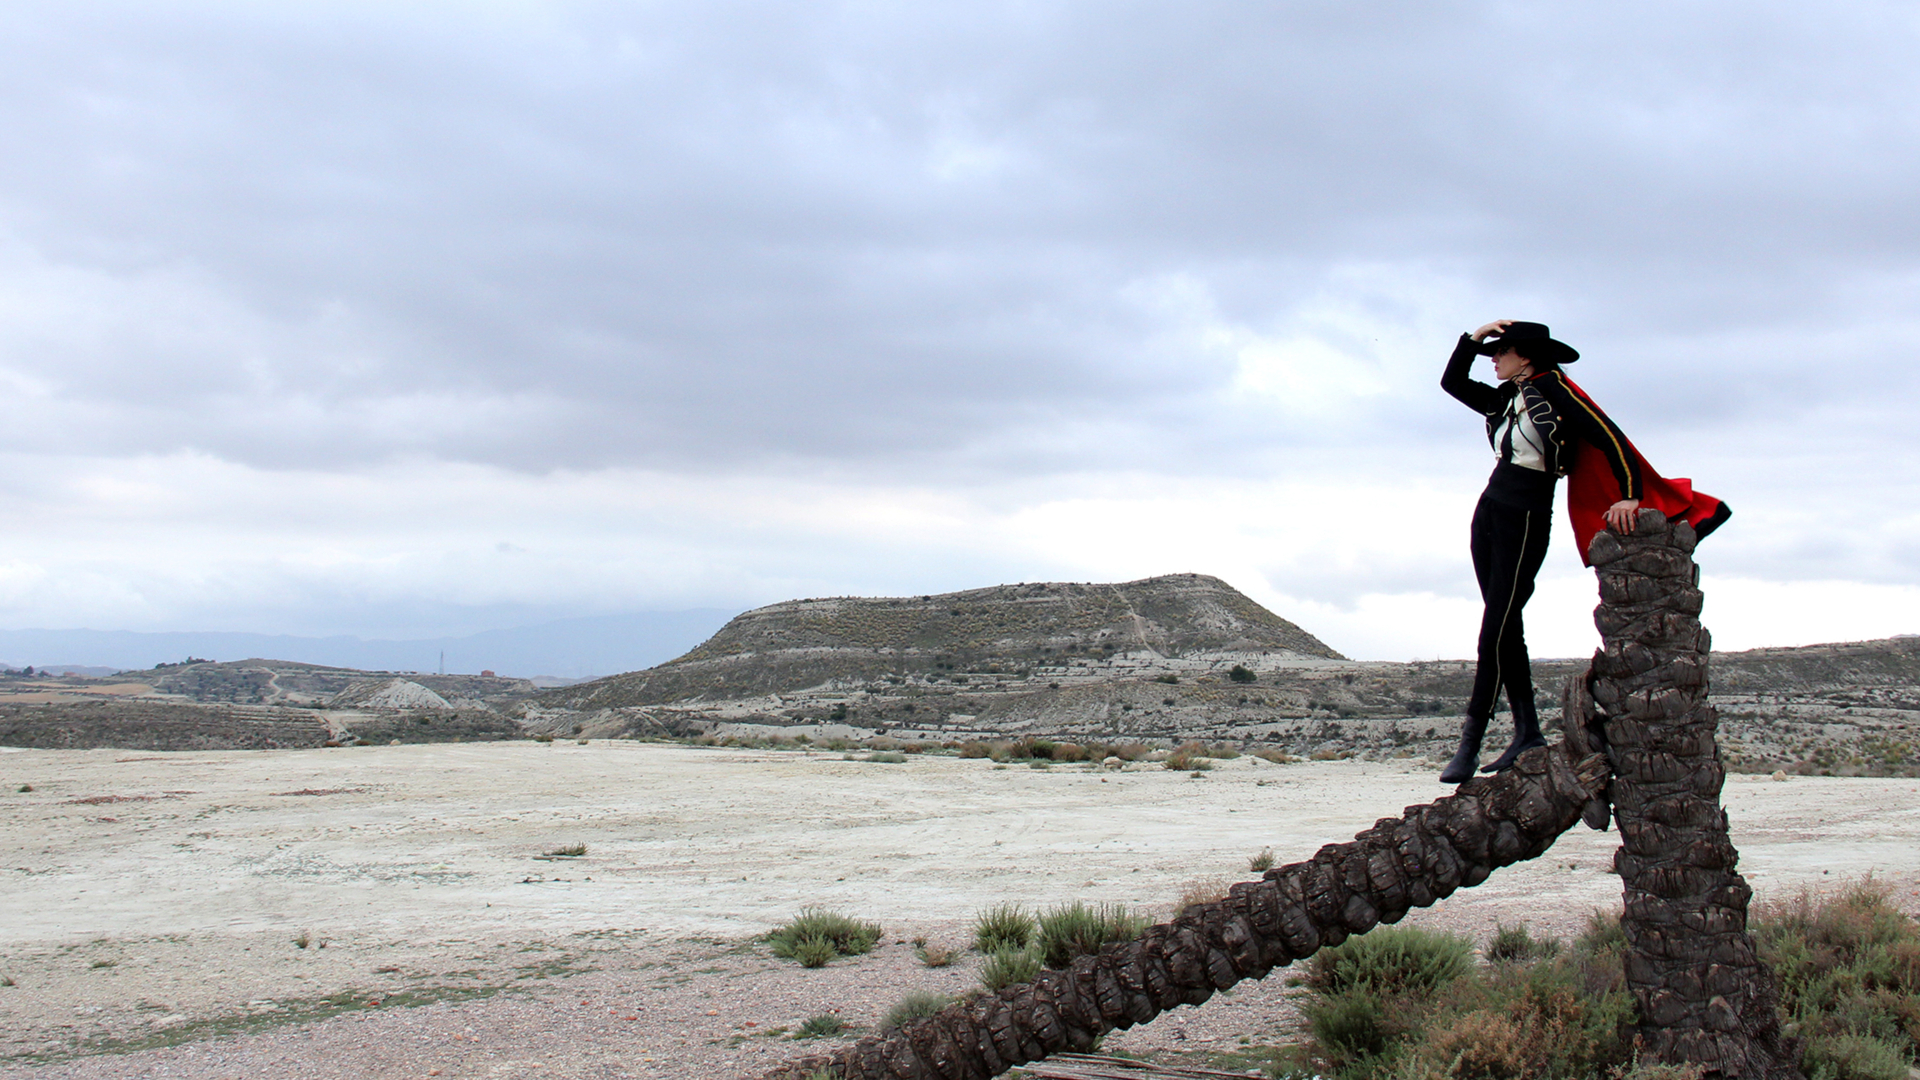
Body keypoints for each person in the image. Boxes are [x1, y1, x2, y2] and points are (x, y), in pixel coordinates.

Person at [1437, 320, 1730, 784]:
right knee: (1504, 624)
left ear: (1526, 356)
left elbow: (1610, 438)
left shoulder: (1554, 391)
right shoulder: (1505, 396)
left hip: (1528, 514)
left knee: (1495, 627)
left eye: (1501, 351)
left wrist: (1630, 495)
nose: (1493, 358)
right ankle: (1527, 732)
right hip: (1489, 509)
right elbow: (1451, 382)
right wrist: (1471, 340)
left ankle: (1470, 743)